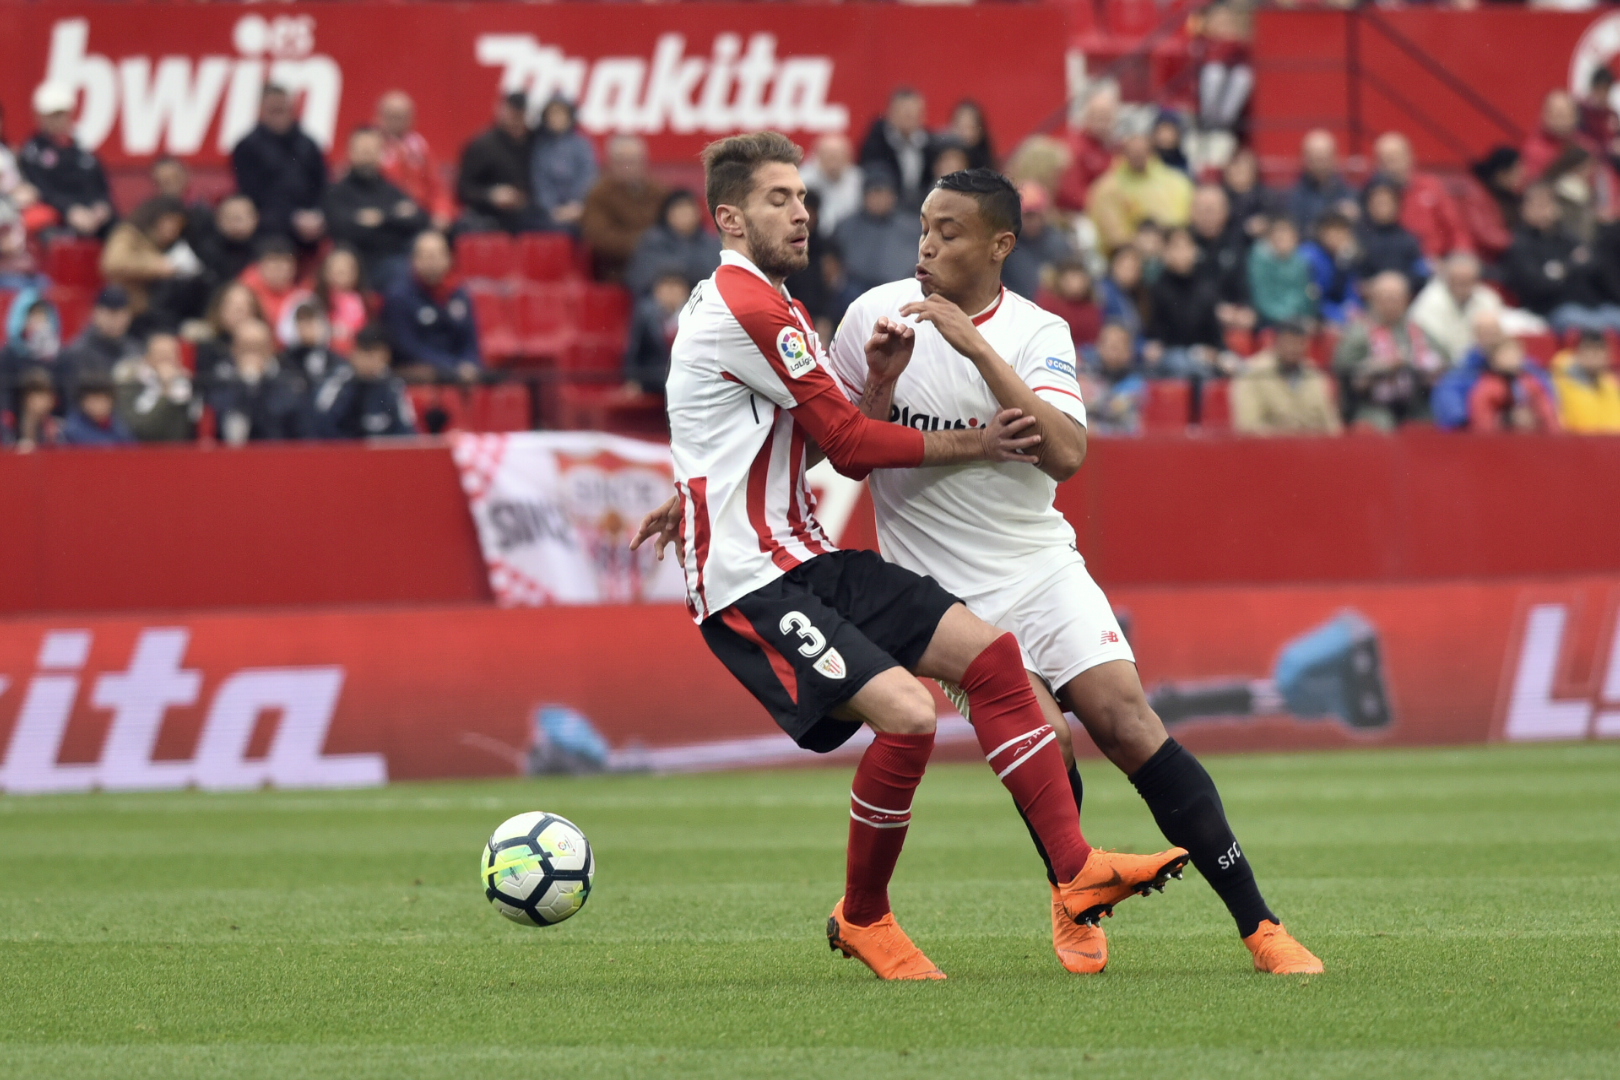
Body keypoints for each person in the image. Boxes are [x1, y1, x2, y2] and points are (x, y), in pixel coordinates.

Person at [635, 135, 1188, 982]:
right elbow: (852, 442)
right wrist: (977, 442)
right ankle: (864, 917)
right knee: (909, 715)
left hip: (807, 555)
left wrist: (701, 483)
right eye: (779, 199)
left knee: (996, 661)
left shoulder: (774, 308)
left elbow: (810, 440)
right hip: (752, 579)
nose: (801, 213)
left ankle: (1075, 874)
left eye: (803, 197)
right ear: (729, 219)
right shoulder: (746, 309)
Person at [820, 165, 1314, 975]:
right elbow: (850, 457)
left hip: (1038, 562)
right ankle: (1073, 892)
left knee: (1126, 720)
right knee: (1042, 734)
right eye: (924, 228)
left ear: (999, 245)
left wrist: (973, 346)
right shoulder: (872, 314)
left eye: (949, 232)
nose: (928, 245)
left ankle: (1262, 928)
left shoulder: (1037, 331)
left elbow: (1069, 453)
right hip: (941, 591)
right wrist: (879, 381)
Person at [1503, 182, 1620, 334]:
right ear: (1524, 209)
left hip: (1593, 306)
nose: (1544, 210)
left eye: (1547, 203)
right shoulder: (1520, 245)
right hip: (1554, 310)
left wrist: (1561, 270)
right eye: (1537, 205)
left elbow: (1594, 264)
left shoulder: (1569, 238)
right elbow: (1537, 285)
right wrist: (1572, 265)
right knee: (1583, 326)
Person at [1333, 271, 1442, 429]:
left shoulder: (1416, 329)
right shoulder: (1360, 331)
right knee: (1382, 425)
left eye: (1396, 299)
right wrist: (1378, 367)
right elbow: (1342, 368)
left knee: (1435, 422)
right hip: (1372, 403)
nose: (1391, 305)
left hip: (1414, 400)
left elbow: (1443, 358)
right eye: (1385, 299)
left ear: (1406, 301)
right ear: (1373, 300)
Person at [324, 126, 427, 290]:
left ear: (381, 153)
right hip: (357, 267)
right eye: (362, 150)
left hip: (391, 261)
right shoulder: (337, 192)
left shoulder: (391, 189)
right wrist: (394, 218)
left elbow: (419, 219)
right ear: (350, 152)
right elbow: (340, 227)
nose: (367, 155)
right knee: (402, 273)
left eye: (372, 150)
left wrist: (379, 218)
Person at [231, 84, 327, 247]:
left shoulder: (308, 144)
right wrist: (291, 216)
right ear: (262, 110)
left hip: (310, 218)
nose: (279, 116)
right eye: (273, 110)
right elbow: (251, 193)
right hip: (271, 221)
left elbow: (322, 184)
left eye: (283, 109)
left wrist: (317, 213)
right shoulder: (247, 147)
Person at [383, 230, 481, 383]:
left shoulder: (460, 294)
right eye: (427, 256)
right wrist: (451, 366)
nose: (433, 261)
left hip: (457, 371)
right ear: (415, 260)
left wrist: (470, 363)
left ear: (449, 259)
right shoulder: (399, 297)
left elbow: (470, 339)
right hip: (421, 373)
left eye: (438, 255)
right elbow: (407, 346)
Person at [1086, 115, 1193, 255]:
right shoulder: (1107, 188)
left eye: (1143, 150)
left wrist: (1161, 239)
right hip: (1123, 257)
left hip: (1169, 253)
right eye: (1133, 150)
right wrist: (1139, 243)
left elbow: (1182, 220)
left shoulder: (1177, 182)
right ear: (1123, 151)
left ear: (1151, 150)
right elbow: (1112, 235)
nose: (1138, 154)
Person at [19, 83, 113, 239]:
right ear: (40, 117)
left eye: (62, 114)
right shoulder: (33, 152)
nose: (58, 120)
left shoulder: (83, 150)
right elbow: (42, 190)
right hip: (60, 218)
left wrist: (101, 207)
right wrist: (70, 209)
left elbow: (101, 186)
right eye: (53, 115)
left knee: (122, 231)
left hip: (94, 216)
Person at [99, 195, 206, 328]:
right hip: (128, 311)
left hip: (154, 313)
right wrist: (158, 265)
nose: (174, 229)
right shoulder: (129, 234)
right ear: (156, 217)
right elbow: (113, 263)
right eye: (171, 222)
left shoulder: (168, 246)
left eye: (179, 225)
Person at [206, 318, 311, 444]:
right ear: (234, 350)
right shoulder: (220, 381)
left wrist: (259, 386)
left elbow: (285, 430)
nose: (252, 354)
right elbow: (223, 423)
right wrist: (243, 386)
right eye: (246, 347)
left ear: (271, 349)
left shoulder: (289, 383)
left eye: (258, 347)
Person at [1370, 131, 1471, 259]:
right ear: (1378, 164)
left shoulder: (1431, 186)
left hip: (1438, 260)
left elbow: (1456, 229)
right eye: (1387, 160)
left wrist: (1460, 256)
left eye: (1397, 157)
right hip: (1396, 264)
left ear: (1410, 156)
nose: (1393, 164)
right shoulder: (1373, 195)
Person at [1232, 320, 1341, 436]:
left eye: (1299, 343)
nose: (1293, 349)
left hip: (1314, 449)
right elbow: (1248, 427)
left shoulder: (1315, 376)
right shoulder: (1253, 375)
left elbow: (1332, 427)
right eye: (1288, 343)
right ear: (1276, 343)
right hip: (1269, 449)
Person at [582, 135, 667, 281]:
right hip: (618, 268)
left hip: (662, 261)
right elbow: (601, 238)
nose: (628, 167)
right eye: (621, 161)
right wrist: (647, 243)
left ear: (644, 162)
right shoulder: (599, 194)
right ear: (610, 163)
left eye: (633, 161)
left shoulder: (659, 192)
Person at [1144, 228, 1227, 377]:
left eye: (1186, 246)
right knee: (1185, 364)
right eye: (1176, 247)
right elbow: (1158, 334)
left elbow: (1214, 333)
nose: (1181, 253)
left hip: (1204, 354)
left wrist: (1217, 353)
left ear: (1195, 251)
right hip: (1172, 355)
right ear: (1165, 252)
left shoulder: (1206, 287)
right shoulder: (1157, 288)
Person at [313, 323, 415, 439]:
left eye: (372, 355)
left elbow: (407, 431)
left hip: (383, 454)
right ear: (353, 353)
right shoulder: (338, 382)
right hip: (346, 454)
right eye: (363, 353)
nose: (367, 361)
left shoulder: (394, 386)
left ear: (385, 356)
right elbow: (323, 426)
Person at [375, 91, 455, 232]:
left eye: (402, 117)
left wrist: (442, 211)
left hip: (420, 216)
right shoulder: (371, 146)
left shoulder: (420, 147)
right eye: (391, 116)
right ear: (380, 117)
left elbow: (437, 187)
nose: (396, 122)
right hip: (386, 217)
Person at [456, 93, 536, 234]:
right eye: (512, 113)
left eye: (520, 114)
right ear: (501, 111)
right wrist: (491, 195)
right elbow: (463, 189)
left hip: (526, 215)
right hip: (490, 216)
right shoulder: (483, 145)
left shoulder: (534, 142)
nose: (515, 120)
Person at [834, 167, 921, 294]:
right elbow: (833, 262)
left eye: (884, 193)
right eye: (874, 193)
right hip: (855, 290)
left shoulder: (911, 227)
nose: (879, 199)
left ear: (893, 196)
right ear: (864, 196)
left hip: (898, 290)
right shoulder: (846, 226)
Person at [1408, 252, 1504, 367]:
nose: (1462, 286)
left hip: (1483, 364)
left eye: (1468, 280)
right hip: (1442, 368)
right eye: (1458, 280)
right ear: (1447, 279)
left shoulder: (1488, 298)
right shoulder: (1428, 302)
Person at [624, 190, 721, 298]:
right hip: (656, 301)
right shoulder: (652, 242)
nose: (685, 216)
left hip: (700, 299)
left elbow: (716, 276)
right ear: (667, 214)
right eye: (679, 211)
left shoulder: (711, 243)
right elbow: (639, 278)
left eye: (688, 211)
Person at [59, 286, 141, 403]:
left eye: (123, 313)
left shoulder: (134, 349)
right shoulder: (77, 353)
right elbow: (73, 401)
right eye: (111, 313)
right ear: (96, 313)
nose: (118, 320)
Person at [1189, 184, 1255, 330]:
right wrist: (1215, 309)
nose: (1206, 215)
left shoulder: (1238, 243)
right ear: (1191, 212)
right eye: (1201, 209)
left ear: (1226, 211)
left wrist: (1246, 310)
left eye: (1211, 209)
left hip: (1233, 320)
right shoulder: (1184, 244)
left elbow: (1244, 285)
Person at [859, 87, 937, 209]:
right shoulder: (876, 142)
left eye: (914, 112)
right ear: (891, 113)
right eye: (905, 112)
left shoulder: (930, 143)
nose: (909, 116)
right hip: (888, 209)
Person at [112, 330, 194, 442]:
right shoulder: (131, 383)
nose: (167, 360)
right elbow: (141, 429)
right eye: (161, 355)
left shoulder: (189, 386)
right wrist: (165, 390)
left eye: (171, 354)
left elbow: (182, 431)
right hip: (141, 451)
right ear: (148, 357)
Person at [529, 97, 597, 232]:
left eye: (561, 113)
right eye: (552, 114)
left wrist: (576, 205)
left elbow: (588, 177)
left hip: (579, 210)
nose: (556, 118)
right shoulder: (540, 147)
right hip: (549, 214)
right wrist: (552, 209)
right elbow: (540, 181)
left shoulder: (582, 145)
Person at [1468, 338, 1559, 433]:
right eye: (1505, 354)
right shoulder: (1486, 387)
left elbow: (1548, 415)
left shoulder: (1531, 383)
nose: (1512, 358)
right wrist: (1507, 420)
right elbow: (1482, 423)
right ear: (1493, 359)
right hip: (1499, 442)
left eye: (1515, 354)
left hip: (1533, 439)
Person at [1002, 182, 1074, 301]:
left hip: (1051, 311)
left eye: (1035, 215)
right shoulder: (1005, 246)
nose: (1031, 221)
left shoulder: (1059, 243)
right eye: (1026, 215)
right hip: (1013, 308)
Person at [623, 270, 689, 394]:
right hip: (654, 380)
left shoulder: (696, 315)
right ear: (657, 291)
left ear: (685, 291)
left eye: (675, 287)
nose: (670, 292)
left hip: (687, 379)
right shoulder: (645, 315)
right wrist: (632, 379)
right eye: (666, 287)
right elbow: (635, 349)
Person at [1356, 180, 1428, 291]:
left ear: (1397, 205)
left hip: (1403, 299)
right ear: (1368, 205)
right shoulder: (1357, 238)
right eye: (1378, 203)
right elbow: (1349, 275)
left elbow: (1421, 273)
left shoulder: (1409, 240)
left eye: (1387, 203)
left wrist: (1399, 283)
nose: (1383, 208)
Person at [1057, 85, 1118, 213]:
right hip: (1081, 214)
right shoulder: (1075, 147)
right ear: (1086, 116)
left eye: (1107, 117)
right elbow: (1071, 192)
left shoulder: (1113, 148)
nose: (1103, 123)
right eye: (1098, 116)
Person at [1079, 322, 1147, 435]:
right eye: (1107, 344)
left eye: (1117, 346)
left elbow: (1115, 409)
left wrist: (1093, 403)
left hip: (1125, 443)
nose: (1112, 350)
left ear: (1129, 351)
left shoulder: (1137, 383)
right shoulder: (1088, 375)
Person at [1247, 217, 1314, 328]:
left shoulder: (1301, 262)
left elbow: (1304, 295)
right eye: (1279, 237)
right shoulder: (1260, 261)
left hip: (1297, 320)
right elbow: (1263, 299)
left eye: (1287, 236)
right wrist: (1287, 319)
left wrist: (1303, 318)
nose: (1283, 240)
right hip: (1269, 322)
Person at [1287, 129, 1357, 232]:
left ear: (1335, 157)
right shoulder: (1293, 196)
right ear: (1305, 159)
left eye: (1324, 157)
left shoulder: (1350, 193)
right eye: (1315, 158)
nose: (1320, 165)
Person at [1551, 330, 1620, 433]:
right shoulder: (1557, 383)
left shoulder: (1612, 385)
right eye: (1589, 349)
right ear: (1577, 352)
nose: (1595, 355)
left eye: (1600, 349)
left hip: (1610, 446)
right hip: (1573, 445)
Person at [238, 236, 304, 342]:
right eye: (273, 264)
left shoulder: (301, 298)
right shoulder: (245, 292)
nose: (278, 270)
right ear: (260, 265)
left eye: (283, 264)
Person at [799, 134, 863, 238]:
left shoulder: (858, 181)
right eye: (828, 155)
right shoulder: (802, 180)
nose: (833, 161)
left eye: (838, 156)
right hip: (812, 237)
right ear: (817, 156)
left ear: (848, 157)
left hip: (850, 236)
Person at [1302, 211, 1360, 325]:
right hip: (1314, 317)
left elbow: (1351, 293)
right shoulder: (1308, 256)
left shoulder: (1346, 257)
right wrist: (1337, 315)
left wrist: (1354, 311)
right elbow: (1312, 298)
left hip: (1341, 316)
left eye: (1343, 231)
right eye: (1333, 231)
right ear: (1321, 232)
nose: (1338, 236)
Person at [195, 195, 260, 291]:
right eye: (228, 218)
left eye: (239, 218)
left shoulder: (265, 251)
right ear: (218, 221)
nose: (234, 224)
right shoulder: (206, 252)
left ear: (255, 219)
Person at [149, 155, 214, 251]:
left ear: (187, 175)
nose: (170, 185)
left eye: (175, 178)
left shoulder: (202, 209)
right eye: (164, 181)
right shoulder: (151, 212)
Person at [1036, 260, 1102, 349]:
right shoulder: (1048, 302)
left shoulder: (1092, 309)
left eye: (1080, 279)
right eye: (1072, 278)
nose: (1076, 284)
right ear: (1061, 280)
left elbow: (1093, 340)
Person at [61, 372, 135, 447]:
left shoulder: (120, 426)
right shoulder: (71, 431)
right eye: (93, 401)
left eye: (102, 400)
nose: (98, 406)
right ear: (82, 403)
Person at [1223, 147, 1278, 240]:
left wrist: (1265, 224)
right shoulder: (1220, 197)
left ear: (1254, 171)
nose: (1239, 172)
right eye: (1235, 167)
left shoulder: (1266, 197)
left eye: (1243, 169)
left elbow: (1277, 222)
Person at [281, 301, 342, 384]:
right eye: (301, 322)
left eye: (310, 322)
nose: (306, 328)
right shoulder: (288, 360)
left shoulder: (335, 360)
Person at [1100, 244, 1149, 340]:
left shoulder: (1140, 294)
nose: (1131, 272)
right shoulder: (1102, 293)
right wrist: (1141, 348)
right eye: (1126, 267)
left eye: (1135, 268)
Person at [4, 369, 61, 450]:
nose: (47, 402)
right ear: (27, 398)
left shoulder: (55, 428)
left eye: (48, 397)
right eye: (40, 397)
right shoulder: (8, 422)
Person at [947, 101, 995, 172]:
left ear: (979, 132)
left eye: (968, 127)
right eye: (959, 127)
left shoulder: (986, 169)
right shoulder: (940, 160)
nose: (962, 134)